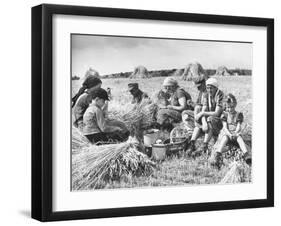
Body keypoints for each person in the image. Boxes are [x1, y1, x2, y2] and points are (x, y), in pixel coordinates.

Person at [210, 94, 251, 168]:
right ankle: (218, 154)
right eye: (228, 107)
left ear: (235, 105)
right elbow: (225, 127)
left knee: (239, 139)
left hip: (235, 133)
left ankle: (246, 154)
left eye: (232, 107)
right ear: (225, 107)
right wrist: (229, 134)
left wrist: (236, 133)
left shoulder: (238, 114)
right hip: (228, 133)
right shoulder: (225, 115)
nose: (230, 109)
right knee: (224, 138)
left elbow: (238, 126)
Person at [189, 77, 224, 156]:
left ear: (215, 88)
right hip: (209, 117)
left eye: (211, 88)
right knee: (200, 121)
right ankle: (192, 143)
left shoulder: (220, 95)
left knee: (210, 119)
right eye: (207, 88)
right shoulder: (206, 95)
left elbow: (217, 113)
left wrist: (203, 114)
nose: (209, 90)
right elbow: (204, 110)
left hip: (219, 120)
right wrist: (203, 121)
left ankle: (205, 145)